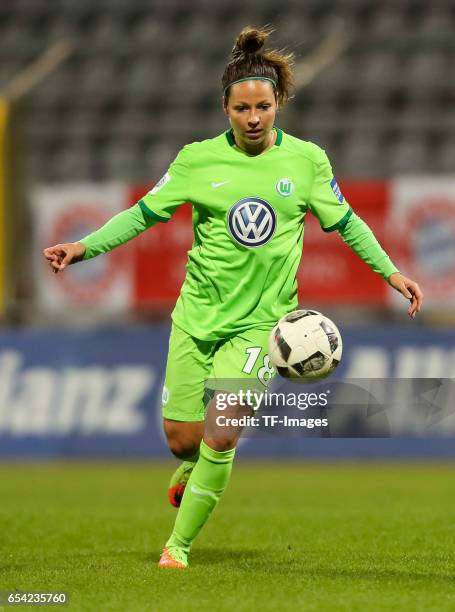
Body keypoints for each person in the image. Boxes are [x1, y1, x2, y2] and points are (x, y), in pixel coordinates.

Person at [43, 26, 423, 569]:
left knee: (221, 434)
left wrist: (390, 272)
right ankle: (192, 468)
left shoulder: (307, 162)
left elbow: (348, 222)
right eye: (242, 108)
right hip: (196, 318)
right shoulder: (196, 161)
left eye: (263, 107)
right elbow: (142, 215)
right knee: (183, 440)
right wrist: (84, 247)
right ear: (225, 107)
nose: (253, 118)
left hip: (260, 326)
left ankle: (178, 548)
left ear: (278, 105)